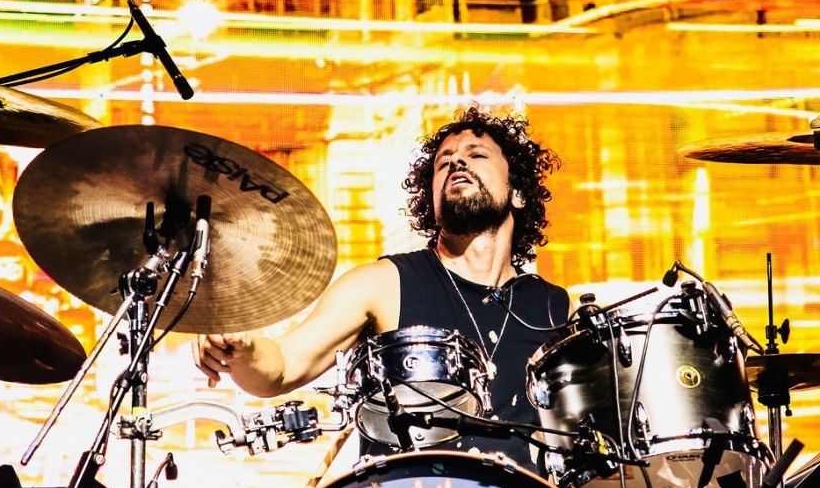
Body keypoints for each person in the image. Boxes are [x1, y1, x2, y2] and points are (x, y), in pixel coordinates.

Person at [194, 107, 570, 465]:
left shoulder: (554, 309)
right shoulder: (383, 283)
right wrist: (242, 350)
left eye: (476, 154)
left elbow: (581, 447)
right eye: (444, 162)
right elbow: (281, 367)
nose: (457, 161)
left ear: (518, 193)